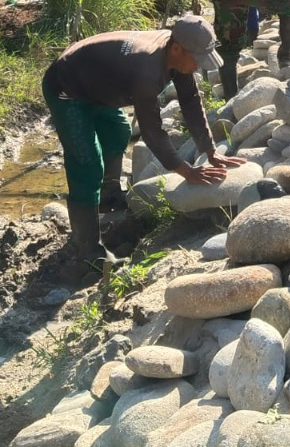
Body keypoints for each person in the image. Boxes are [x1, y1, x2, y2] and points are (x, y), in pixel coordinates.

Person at [42, 16, 246, 269]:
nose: (198, 66)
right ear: (177, 49)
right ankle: (87, 249)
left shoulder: (176, 55)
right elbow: (152, 132)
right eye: (197, 59)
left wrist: (210, 150)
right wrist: (186, 171)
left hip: (97, 84)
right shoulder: (147, 72)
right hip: (67, 88)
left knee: (118, 132)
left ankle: (107, 196)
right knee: (87, 163)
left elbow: (191, 101)